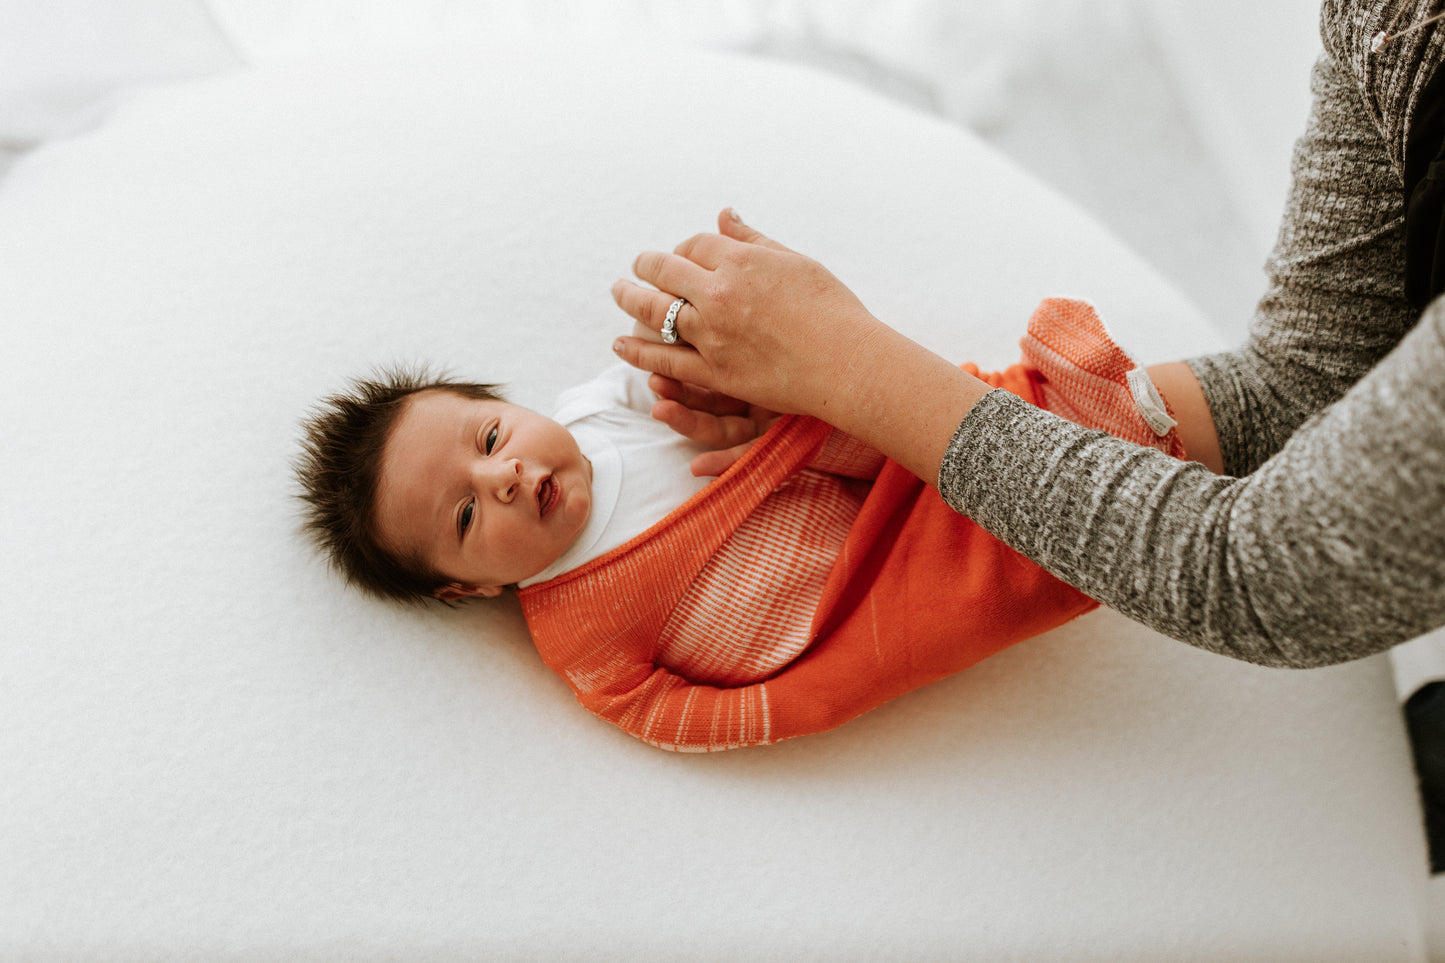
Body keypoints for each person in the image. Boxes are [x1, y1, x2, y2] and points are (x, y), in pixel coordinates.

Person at [610, 0, 1445, 673]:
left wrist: (849, 366)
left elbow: (1270, 575)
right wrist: (880, 416)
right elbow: (1303, 386)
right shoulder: (1393, 25)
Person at [295, 298, 1184, 750]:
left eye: (490, 437)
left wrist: (731, 387)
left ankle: (1112, 422)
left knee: (969, 428)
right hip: (859, 601)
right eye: (463, 513)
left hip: (865, 483)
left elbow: (703, 378)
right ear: (470, 586)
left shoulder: (598, 409)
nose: (503, 477)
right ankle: (1125, 467)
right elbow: (664, 713)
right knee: (1002, 556)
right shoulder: (576, 628)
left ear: (511, 407)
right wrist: (789, 698)